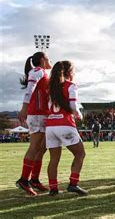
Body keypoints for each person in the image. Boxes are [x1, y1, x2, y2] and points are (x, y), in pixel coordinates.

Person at [45, 61, 87, 196]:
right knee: (80, 154)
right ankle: (73, 184)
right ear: (69, 72)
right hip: (65, 125)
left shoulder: (50, 87)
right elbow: (73, 106)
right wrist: (79, 114)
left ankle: (53, 188)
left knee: (54, 159)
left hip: (50, 127)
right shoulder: (71, 86)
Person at [16, 52, 52, 196]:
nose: (51, 60)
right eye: (48, 58)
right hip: (36, 113)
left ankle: (34, 179)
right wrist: (24, 108)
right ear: (43, 60)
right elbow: (29, 90)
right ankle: (24, 179)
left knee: (42, 148)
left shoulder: (43, 73)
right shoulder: (37, 71)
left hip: (42, 114)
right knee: (35, 147)